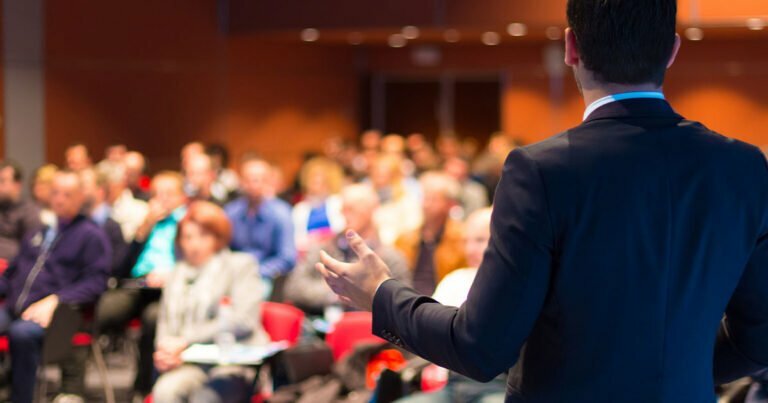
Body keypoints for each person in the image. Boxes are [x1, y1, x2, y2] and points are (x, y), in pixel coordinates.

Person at [316, 1, 768, 401]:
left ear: (572, 47)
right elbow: (759, 339)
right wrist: (671, 373)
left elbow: (481, 347)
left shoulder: (542, 171)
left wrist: (381, 293)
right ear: (672, 50)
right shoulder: (743, 167)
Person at [0, 170, 111, 403]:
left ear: (81, 197)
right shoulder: (39, 232)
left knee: (21, 334)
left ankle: (22, 399)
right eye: (56, 193)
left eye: (67, 194)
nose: (60, 199)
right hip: (15, 307)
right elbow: (13, 273)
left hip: (61, 315)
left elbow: (96, 282)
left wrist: (56, 299)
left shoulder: (91, 236)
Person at [152, 201, 268, 402]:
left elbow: (243, 320)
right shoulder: (176, 274)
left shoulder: (240, 265)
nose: (194, 244)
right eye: (187, 237)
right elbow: (165, 322)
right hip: (188, 362)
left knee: (205, 398)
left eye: (203, 236)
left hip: (233, 362)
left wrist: (185, 339)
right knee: (165, 391)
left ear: (218, 238)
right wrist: (164, 351)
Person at [396, 208, 505, 403]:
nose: (470, 249)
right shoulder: (454, 280)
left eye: (480, 240)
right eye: (466, 241)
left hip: (497, 386)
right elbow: (426, 334)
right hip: (453, 384)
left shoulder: (515, 286)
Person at [96, 171, 188, 398]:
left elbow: (194, 262)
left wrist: (171, 275)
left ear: (182, 197)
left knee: (153, 319)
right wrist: (142, 231)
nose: (162, 199)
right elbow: (122, 266)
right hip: (137, 285)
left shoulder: (188, 222)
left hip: (171, 289)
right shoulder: (146, 223)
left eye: (168, 194)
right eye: (157, 194)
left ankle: (144, 386)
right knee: (103, 310)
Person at [284, 184, 409, 316]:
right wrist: (336, 291)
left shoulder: (391, 257)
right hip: (318, 325)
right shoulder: (322, 248)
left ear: (372, 210)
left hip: (367, 330)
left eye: (352, 208)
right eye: (343, 208)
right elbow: (293, 289)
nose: (344, 214)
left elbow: (400, 304)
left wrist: (354, 292)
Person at [225, 157, 296, 295]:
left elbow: (287, 257)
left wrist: (257, 272)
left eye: (259, 179)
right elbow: (222, 248)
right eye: (248, 179)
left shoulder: (281, 213)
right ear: (241, 181)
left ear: (268, 182)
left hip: (265, 276)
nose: (253, 184)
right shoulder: (230, 212)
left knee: (251, 293)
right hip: (234, 272)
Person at [394, 172, 465, 296]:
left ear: (449, 204)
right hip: (408, 302)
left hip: (443, 304)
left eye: (433, 199)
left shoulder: (462, 239)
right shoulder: (404, 239)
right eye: (424, 198)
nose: (426, 204)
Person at [292, 157, 346, 256]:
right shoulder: (300, 209)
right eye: (312, 181)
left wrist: (321, 237)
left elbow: (342, 230)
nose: (315, 186)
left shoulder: (338, 203)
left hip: (335, 252)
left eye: (320, 182)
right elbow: (297, 239)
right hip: (308, 254)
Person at [0, 160, 41, 264]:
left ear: (17, 185)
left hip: (12, 270)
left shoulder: (29, 211)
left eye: (2, 181)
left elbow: (33, 251)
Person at [103, 163, 149, 242]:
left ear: (121, 183)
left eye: (109, 186)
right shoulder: (97, 209)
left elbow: (131, 241)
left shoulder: (141, 208)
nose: (106, 190)